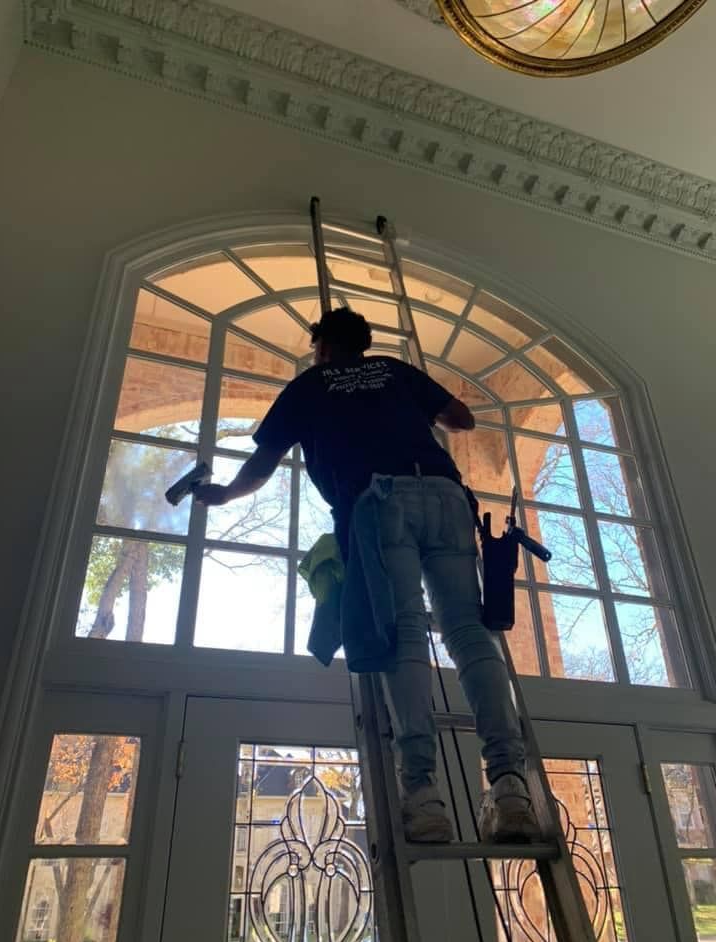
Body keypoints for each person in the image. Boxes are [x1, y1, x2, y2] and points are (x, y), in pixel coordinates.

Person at [194, 307, 538, 844]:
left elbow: (262, 465)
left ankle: (423, 794)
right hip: (446, 497)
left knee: (403, 634)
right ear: (363, 343)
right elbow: (462, 419)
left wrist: (222, 494)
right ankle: (511, 783)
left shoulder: (309, 385)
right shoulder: (395, 370)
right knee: (472, 635)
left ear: (323, 348)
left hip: (379, 502)